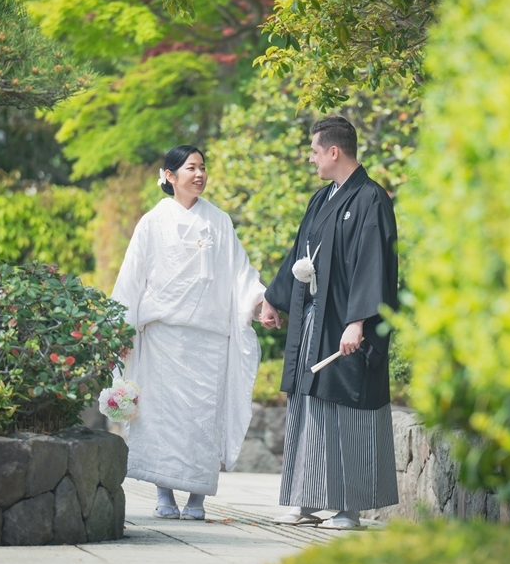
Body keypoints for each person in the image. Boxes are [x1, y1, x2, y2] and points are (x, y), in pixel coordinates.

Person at [259, 116, 400, 530]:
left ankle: (347, 508)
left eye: (315, 151)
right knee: (309, 405)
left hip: (348, 324)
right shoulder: (321, 199)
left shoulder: (372, 199)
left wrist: (357, 321)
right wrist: (273, 298)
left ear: (333, 151)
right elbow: (298, 256)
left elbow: (374, 265)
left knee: (346, 410)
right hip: (315, 320)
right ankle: (305, 500)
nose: (311, 158)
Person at [111, 145, 265, 520]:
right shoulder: (152, 222)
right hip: (163, 338)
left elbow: (240, 272)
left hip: (208, 339)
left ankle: (197, 497)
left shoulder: (219, 222)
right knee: (161, 418)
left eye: (202, 168)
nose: (199, 175)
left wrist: (259, 302)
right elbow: (132, 277)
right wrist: (120, 328)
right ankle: (163, 493)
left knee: (203, 419)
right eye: (191, 168)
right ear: (170, 175)